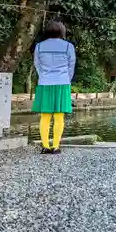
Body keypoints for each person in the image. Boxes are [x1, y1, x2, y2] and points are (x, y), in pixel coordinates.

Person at [31, 20, 76, 154]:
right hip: (62, 83)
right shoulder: (68, 46)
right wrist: (66, 79)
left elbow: (37, 65)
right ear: (62, 31)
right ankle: (55, 147)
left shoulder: (39, 47)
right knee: (58, 116)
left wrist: (44, 76)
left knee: (45, 116)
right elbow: (71, 66)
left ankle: (45, 146)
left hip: (45, 83)